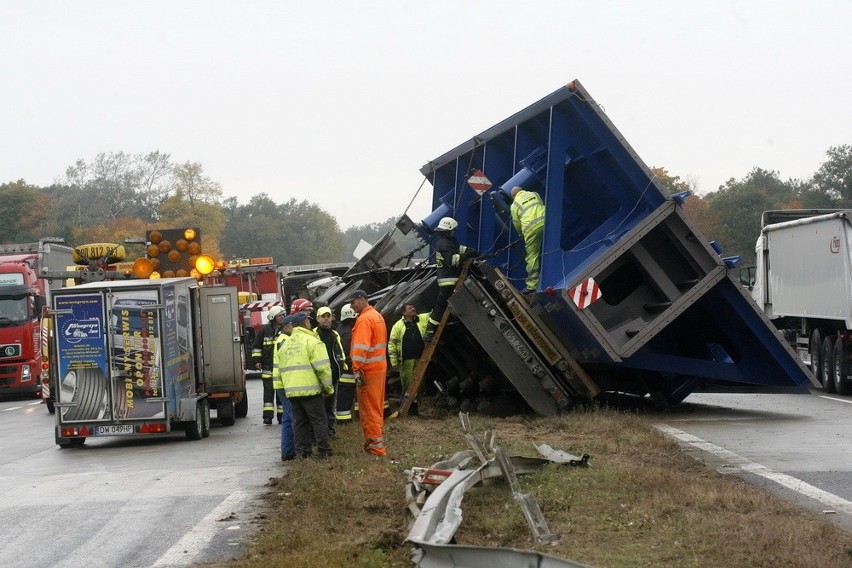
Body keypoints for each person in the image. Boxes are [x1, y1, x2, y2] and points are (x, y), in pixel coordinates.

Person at [276, 311, 334, 459]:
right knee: (318, 420)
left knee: (299, 423)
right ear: (306, 323)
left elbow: (281, 369)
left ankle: (303, 453)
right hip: (311, 390)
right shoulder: (312, 342)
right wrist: (328, 388)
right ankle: (324, 451)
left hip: (292, 392)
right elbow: (323, 368)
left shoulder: (285, 344)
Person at [423, 217, 478, 343]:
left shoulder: (447, 241)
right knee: (441, 306)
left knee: (441, 305)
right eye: (453, 230)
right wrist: (469, 255)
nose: (454, 232)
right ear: (449, 230)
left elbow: (458, 248)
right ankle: (430, 331)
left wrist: (469, 251)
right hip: (449, 280)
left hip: (448, 279)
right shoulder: (445, 243)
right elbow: (453, 261)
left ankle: (430, 330)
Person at [348, 289, 388, 456]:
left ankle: (376, 446)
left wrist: (357, 369)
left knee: (369, 409)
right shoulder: (377, 316)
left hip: (368, 371)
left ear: (362, 299)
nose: (351, 305)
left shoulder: (364, 320)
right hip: (378, 369)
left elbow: (359, 348)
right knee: (376, 407)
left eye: (353, 302)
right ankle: (374, 443)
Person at [388, 303, 428, 413]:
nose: (413, 309)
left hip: (421, 358)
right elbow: (392, 344)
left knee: (419, 382)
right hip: (406, 361)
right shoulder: (398, 326)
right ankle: (410, 408)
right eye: (410, 308)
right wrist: (394, 361)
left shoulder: (421, 319)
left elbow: (432, 315)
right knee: (408, 383)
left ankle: (413, 405)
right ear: (404, 313)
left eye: (413, 307)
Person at [314, 306, 348, 437]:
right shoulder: (313, 335)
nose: (326, 319)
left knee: (330, 407)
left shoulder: (335, 334)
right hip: (318, 378)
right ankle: (320, 433)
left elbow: (340, 351)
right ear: (318, 318)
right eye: (323, 316)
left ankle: (329, 430)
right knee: (319, 407)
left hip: (333, 376)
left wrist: (341, 366)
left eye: (328, 316)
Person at [251, 305, 287, 424]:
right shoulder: (264, 331)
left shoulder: (286, 329)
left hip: (282, 368)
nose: (282, 317)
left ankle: (282, 417)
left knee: (281, 395)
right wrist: (257, 361)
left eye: (283, 315)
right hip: (268, 368)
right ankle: (267, 417)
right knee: (268, 395)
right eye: (280, 315)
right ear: (273, 317)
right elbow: (256, 347)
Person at [510, 186, 546, 293]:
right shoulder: (534, 194)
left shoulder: (514, 205)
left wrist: (521, 234)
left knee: (532, 257)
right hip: (546, 221)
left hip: (531, 229)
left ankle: (532, 286)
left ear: (513, 196)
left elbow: (516, 223)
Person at [272, 315, 297, 461]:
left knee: (288, 417)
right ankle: (290, 451)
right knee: (292, 417)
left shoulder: (281, 339)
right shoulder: (284, 340)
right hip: (284, 383)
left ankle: (288, 452)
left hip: (281, 383)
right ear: (287, 326)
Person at [334, 303, 358, 423]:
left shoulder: (339, 329)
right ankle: (344, 420)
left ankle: (344, 418)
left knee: (344, 395)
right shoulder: (350, 332)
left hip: (341, 369)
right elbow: (351, 350)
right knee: (348, 395)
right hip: (349, 369)